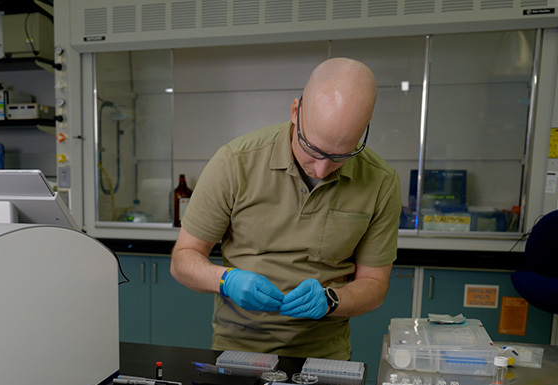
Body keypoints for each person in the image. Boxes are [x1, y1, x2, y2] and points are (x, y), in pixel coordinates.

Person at [171, 57, 401, 360]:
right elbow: (183, 260)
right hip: (238, 350)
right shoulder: (235, 163)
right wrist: (227, 280)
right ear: (296, 111)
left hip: (324, 355)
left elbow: (374, 284)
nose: (321, 169)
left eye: (340, 156)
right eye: (313, 149)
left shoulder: (380, 181)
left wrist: (332, 300)